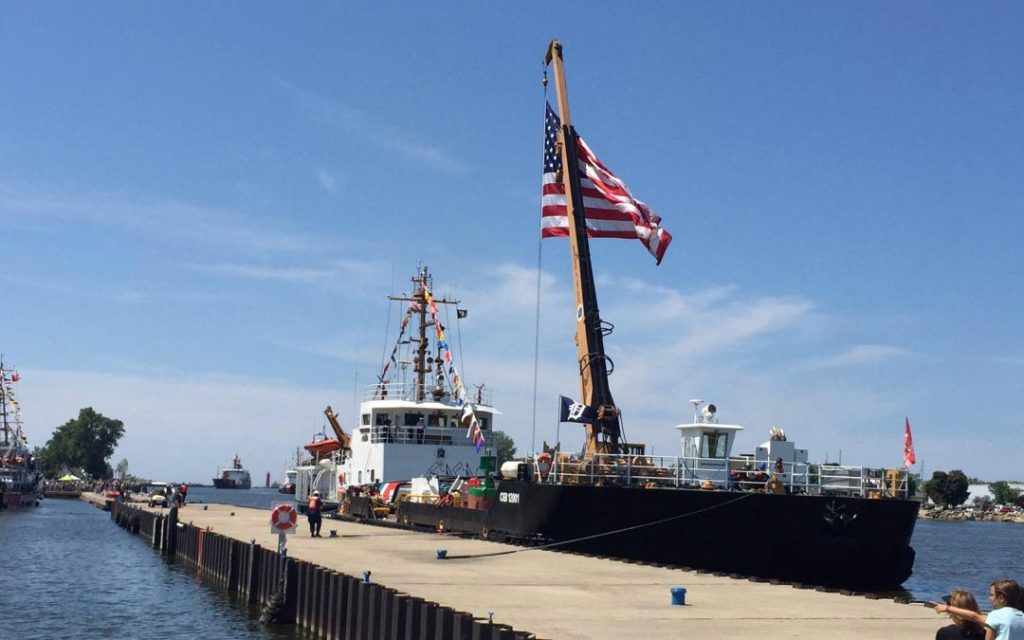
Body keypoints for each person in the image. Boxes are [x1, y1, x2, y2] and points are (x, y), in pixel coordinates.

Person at [932, 579, 1024, 640]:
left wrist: (947, 608)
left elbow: (974, 616)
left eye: (991, 595)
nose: (989, 598)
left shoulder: (997, 615)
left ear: (1001, 598)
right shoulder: (1021, 616)